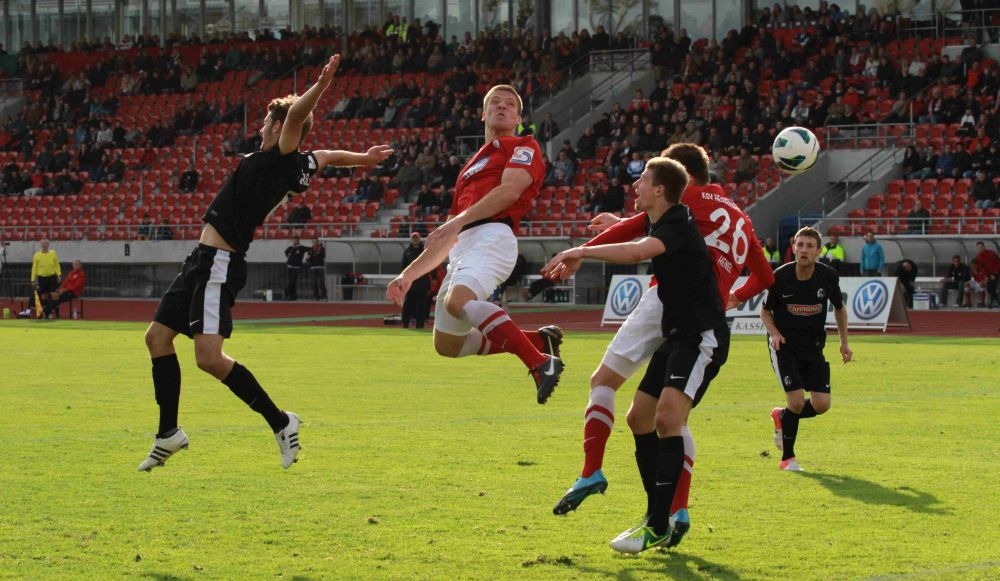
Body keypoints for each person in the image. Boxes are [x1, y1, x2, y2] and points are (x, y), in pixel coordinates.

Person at [137, 55, 393, 472]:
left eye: (265, 122)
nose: (259, 127)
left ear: (278, 128)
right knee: (156, 338)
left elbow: (297, 115)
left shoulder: (282, 156)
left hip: (219, 262)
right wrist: (365, 159)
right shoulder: (303, 162)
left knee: (208, 358)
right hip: (202, 259)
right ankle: (168, 433)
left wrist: (322, 85)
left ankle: (281, 422)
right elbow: (329, 155)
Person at [543, 143, 774, 550]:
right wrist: (736, 296)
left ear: (673, 179)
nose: (637, 184)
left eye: (647, 177)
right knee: (646, 418)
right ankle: (669, 510)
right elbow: (764, 274)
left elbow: (639, 237)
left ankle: (604, 479)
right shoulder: (738, 214)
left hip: (683, 313)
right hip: (690, 315)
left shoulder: (689, 203)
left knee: (630, 395)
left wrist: (585, 246)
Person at [386, 84, 565, 405]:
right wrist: (409, 275)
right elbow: (446, 238)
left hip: (493, 237)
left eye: (510, 105)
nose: (502, 107)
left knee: (457, 302)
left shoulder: (524, 145)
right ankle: (537, 341)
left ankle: (540, 363)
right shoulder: (471, 165)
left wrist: (454, 222)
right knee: (447, 345)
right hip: (464, 246)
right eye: (495, 103)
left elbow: (509, 192)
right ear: (483, 113)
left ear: (518, 117)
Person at [761, 227, 853, 472]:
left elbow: (839, 308)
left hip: (813, 347)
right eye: (799, 245)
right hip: (785, 346)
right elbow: (765, 311)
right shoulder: (779, 276)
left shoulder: (828, 276)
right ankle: (788, 459)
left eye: (809, 246)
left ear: (818, 251)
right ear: (793, 247)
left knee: (822, 404)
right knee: (797, 401)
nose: (803, 250)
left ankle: (782, 417)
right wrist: (775, 334)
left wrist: (844, 342)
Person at [400, 232, 431, 329]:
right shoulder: (407, 251)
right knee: (408, 306)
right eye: (413, 238)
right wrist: (402, 280)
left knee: (421, 307)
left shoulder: (425, 251)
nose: (415, 239)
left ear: (419, 239)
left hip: (422, 283)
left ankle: (420, 325)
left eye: (416, 238)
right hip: (410, 284)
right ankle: (405, 324)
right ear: (411, 239)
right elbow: (403, 267)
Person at [30, 238, 61, 319]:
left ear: (48, 245)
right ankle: (47, 314)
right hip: (42, 278)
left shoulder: (53, 253)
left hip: (52, 277)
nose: (44, 245)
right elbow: (34, 268)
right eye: (43, 244)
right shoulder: (37, 255)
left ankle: (51, 313)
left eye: (46, 243)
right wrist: (33, 279)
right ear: (41, 245)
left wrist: (59, 275)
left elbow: (56, 265)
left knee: (55, 296)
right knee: (44, 297)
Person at [973, 240, 1000, 307]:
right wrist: (986, 276)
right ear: (977, 248)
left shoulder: (991, 253)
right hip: (989, 274)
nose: (981, 248)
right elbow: (982, 268)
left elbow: (998, 263)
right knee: (989, 287)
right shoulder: (978, 257)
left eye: (982, 247)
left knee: (994, 285)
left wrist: (995, 273)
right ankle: (995, 300)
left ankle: (995, 300)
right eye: (979, 247)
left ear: (984, 246)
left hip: (996, 272)